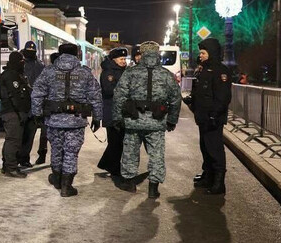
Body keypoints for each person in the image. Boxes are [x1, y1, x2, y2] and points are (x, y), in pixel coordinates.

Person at [31, 43, 103, 197]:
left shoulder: (49, 71)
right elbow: (96, 96)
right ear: (77, 54)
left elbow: (37, 93)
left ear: (60, 53)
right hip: (76, 122)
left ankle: (56, 179)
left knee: (56, 150)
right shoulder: (85, 72)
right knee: (71, 152)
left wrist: (37, 114)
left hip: (54, 120)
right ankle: (66, 186)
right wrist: (97, 117)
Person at [113, 41, 181, 198]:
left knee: (130, 152)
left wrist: (117, 118)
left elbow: (119, 95)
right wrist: (172, 119)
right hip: (156, 122)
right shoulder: (166, 74)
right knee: (156, 154)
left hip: (133, 120)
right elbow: (176, 99)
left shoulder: (131, 73)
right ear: (157, 54)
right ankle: (153, 187)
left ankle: (129, 183)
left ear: (142, 54)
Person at [185, 38, 231, 195]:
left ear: (211, 53)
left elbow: (223, 97)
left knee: (215, 149)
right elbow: (200, 91)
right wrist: (192, 100)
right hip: (203, 117)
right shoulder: (203, 69)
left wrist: (214, 114)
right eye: (200, 53)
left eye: (203, 53)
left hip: (213, 118)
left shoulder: (220, 71)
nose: (201, 55)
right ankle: (208, 176)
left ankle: (219, 183)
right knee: (205, 147)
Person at [97, 47, 129, 184]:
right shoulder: (108, 73)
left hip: (122, 113)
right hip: (111, 112)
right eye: (121, 59)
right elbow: (109, 90)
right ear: (114, 60)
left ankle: (108, 164)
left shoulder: (124, 71)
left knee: (119, 142)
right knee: (115, 142)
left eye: (124, 59)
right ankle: (114, 168)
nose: (124, 61)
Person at [0, 52, 32, 178]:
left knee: (11, 140)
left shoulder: (16, 74)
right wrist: (20, 113)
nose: (23, 64)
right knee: (13, 140)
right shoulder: (11, 75)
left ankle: (7, 165)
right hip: (13, 113)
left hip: (15, 112)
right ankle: (11, 168)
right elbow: (15, 96)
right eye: (21, 62)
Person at [21, 40, 48, 166]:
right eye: (29, 51)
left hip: (36, 105)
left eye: (32, 51)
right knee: (22, 134)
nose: (30, 53)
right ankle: (20, 158)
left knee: (31, 133)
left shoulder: (40, 66)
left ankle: (27, 158)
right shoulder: (20, 64)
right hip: (23, 104)